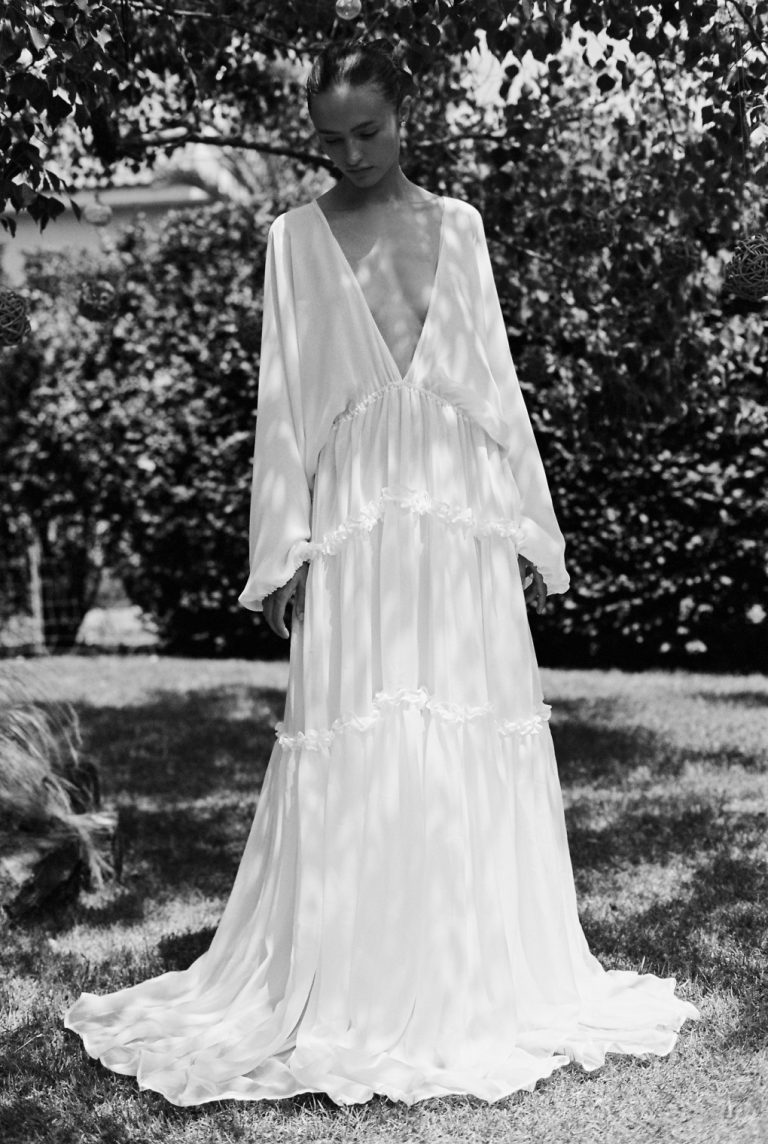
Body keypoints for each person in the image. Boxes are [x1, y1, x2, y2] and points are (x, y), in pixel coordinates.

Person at [64, 39, 699, 1107]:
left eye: (369, 130)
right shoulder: (292, 240)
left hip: (457, 514)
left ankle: (467, 971)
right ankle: (356, 975)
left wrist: (528, 527)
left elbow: (496, 385)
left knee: (465, 725)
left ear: (407, 113)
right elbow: (282, 406)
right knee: (359, 731)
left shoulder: (462, 226)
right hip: (356, 517)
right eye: (331, 138)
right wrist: (283, 551)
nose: (352, 154)